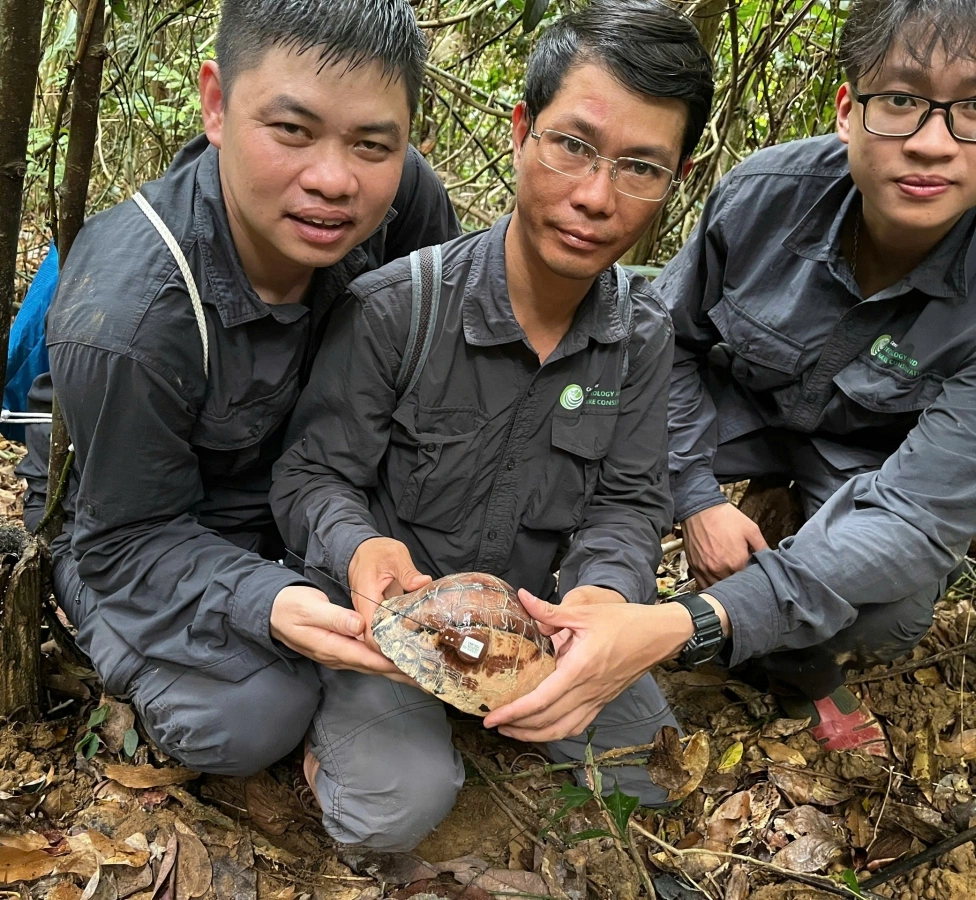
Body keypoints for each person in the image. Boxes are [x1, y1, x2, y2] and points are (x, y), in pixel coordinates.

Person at [485, 0, 976, 757]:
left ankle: (775, 652)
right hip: (739, 412)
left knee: (888, 614)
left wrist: (692, 623)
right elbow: (661, 346)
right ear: (847, 110)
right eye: (900, 100)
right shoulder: (768, 193)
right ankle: (552, 607)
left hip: (867, 467)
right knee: (573, 421)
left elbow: (920, 518)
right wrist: (695, 496)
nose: (934, 144)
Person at [272, 0, 713, 851]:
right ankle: (338, 745)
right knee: (391, 813)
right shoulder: (399, 309)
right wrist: (358, 549)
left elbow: (628, 502)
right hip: (399, 630)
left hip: (534, 625)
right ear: (522, 132)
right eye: (572, 145)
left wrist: (607, 597)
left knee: (647, 780)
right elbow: (311, 476)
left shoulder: (643, 337)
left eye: (639, 167)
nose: (594, 196)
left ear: (675, 181)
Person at [17, 0, 459, 777]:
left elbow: (439, 359)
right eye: (291, 129)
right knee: (251, 718)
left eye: (371, 143)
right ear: (216, 103)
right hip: (134, 524)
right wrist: (268, 601)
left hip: (305, 489)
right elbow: (124, 537)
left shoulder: (402, 201)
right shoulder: (130, 314)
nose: (333, 179)